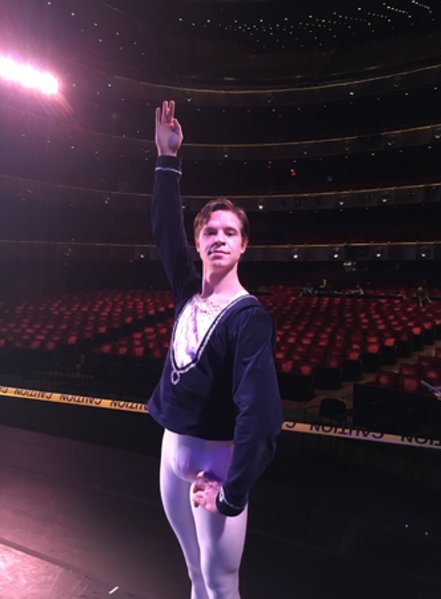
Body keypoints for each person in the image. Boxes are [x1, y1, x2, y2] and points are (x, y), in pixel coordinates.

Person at [146, 100, 282, 599]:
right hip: (172, 449)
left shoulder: (249, 317)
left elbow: (261, 416)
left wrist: (231, 495)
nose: (218, 238)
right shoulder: (187, 289)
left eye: (230, 232)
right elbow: (165, 231)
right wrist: (167, 159)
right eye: (209, 231)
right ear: (199, 243)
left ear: (244, 245)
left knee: (221, 583)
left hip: (217, 465)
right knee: (193, 574)